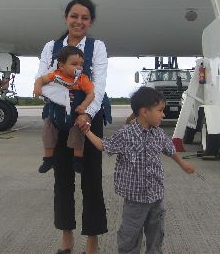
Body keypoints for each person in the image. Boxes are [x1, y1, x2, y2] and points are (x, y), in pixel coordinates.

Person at [35, 0, 109, 254]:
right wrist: (63, 102)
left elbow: (98, 85)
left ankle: (92, 240)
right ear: (66, 18)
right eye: (74, 16)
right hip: (59, 118)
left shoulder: (97, 47)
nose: (79, 22)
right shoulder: (51, 47)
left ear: (91, 21)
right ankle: (66, 237)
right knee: (62, 180)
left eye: (84, 18)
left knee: (92, 180)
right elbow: (41, 80)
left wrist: (86, 113)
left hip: (89, 118)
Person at [82, 86, 195, 254]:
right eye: (160, 110)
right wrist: (87, 131)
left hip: (156, 197)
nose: (163, 114)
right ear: (144, 112)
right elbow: (104, 145)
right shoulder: (126, 134)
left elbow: (170, 149)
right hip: (135, 200)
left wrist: (183, 164)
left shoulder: (158, 134)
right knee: (130, 236)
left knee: (156, 234)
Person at [34, 45, 95, 174]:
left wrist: (83, 106)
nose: (79, 67)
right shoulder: (55, 75)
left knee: (78, 133)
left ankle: (77, 160)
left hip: (74, 116)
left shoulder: (82, 79)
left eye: (81, 64)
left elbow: (91, 93)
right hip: (56, 115)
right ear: (61, 66)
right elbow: (40, 79)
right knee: (48, 131)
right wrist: (37, 87)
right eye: (74, 64)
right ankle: (48, 159)